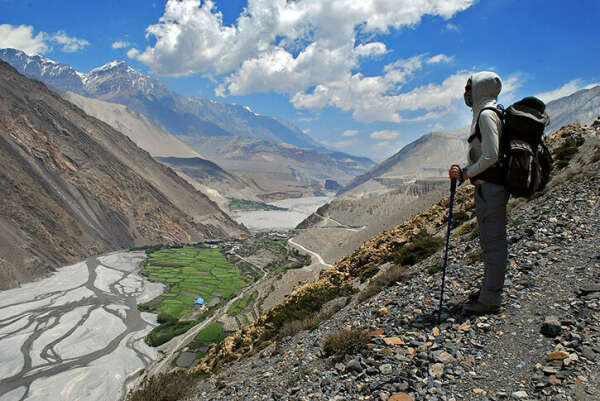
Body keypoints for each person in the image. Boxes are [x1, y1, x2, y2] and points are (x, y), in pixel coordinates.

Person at [449, 71, 509, 315]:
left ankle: (490, 299)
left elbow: (491, 155)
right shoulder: (490, 113)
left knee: (493, 243)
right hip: (488, 186)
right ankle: (488, 291)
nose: (467, 93)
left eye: (470, 88)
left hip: (491, 188)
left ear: (481, 89)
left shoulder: (486, 115)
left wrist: (466, 173)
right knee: (490, 241)